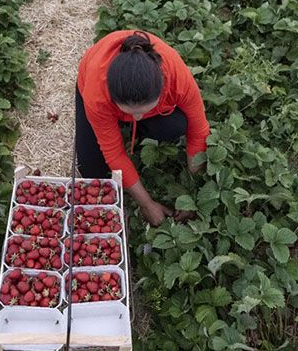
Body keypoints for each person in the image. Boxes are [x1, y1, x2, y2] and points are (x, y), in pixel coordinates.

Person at [75, 31, 210, 227]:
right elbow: (113, 153)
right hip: (91, 81)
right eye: (129, 112)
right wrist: (146, 203)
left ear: (162, 89)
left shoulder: (177, 78)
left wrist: (192, 192)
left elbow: (199, 131)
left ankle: (139, 126)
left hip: (141, 96)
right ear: (112, 98)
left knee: (175, 127)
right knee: (91, 170)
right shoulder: (97, 93)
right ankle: (124, 122)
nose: (135, 117)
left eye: (142, 112)